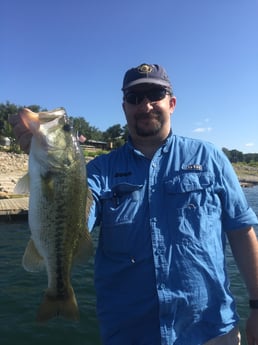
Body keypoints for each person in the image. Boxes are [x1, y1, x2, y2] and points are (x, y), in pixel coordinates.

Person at [10, 63, 258, 345]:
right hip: (129, 333)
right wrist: (45, 160)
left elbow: (241, 231)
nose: (146, 105)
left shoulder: (210, 157)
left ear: (172, 103)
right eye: (135, 97)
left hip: (211, 331)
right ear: (124, 107)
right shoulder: (99, 170)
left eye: (155, 94)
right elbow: (77, 222)